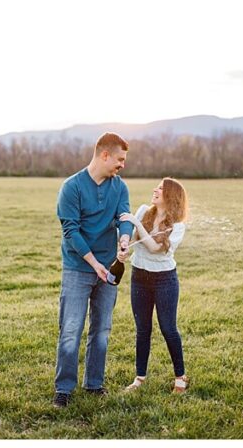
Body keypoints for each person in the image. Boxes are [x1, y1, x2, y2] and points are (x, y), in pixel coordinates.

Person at [52, 132, 134, 408]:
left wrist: (124, 239)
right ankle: (63, 389)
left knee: (102, 329)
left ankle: (94, 384)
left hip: (109, 269)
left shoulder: (120, 187)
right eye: (120, 159)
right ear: (104, 155)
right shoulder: (72, 187)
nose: (122, 165)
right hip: (79, 267)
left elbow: (124, 217)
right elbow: (70, 231)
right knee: (71, 329)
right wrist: (94, 263)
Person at [118, 177, 190, 394]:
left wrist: (136, 222)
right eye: (157, 187)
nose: (155, 190)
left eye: (160, 188)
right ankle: (140, 377)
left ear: (171, 196)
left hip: (164, 280)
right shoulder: (143, 211)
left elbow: (154, 247)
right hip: (139, 276)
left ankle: (180, 376)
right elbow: (131, 239)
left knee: (168, 328)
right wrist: (123, 248)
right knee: (143, 329)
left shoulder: (177, 226)